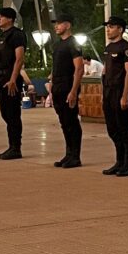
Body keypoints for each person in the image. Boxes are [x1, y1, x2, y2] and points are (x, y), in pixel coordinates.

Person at [0, 6, 31, 160]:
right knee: (5, 112)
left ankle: (15, 148)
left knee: (13, 114)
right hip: (1, 78)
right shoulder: (2, 36)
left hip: (10, 77)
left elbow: (19, 58)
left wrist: (13, 79)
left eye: (1, 16)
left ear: (9, 19)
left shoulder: (17, 35)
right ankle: (11, 145)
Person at [101, 14, 128, 176]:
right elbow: (105, 72)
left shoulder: (126, 48)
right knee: (112, 128)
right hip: (108, 91)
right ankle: (119, 161)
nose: (108, 29)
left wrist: (125, 95)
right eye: (107, 27)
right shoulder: (108, 48)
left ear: (120, 29)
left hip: (119, 90)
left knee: (124, 128)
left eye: (111, 26)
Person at [49, 14, 84, 167]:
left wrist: (74, 91)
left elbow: (79, 68)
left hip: (67, 86)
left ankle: (75, 156)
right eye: (55, 24)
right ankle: (68, 153)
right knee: (63, 121)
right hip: (57, 87)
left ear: (68, 25)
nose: (56, 26)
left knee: (71, 121)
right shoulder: (57, 45)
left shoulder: (73, 43)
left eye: (60, 23)